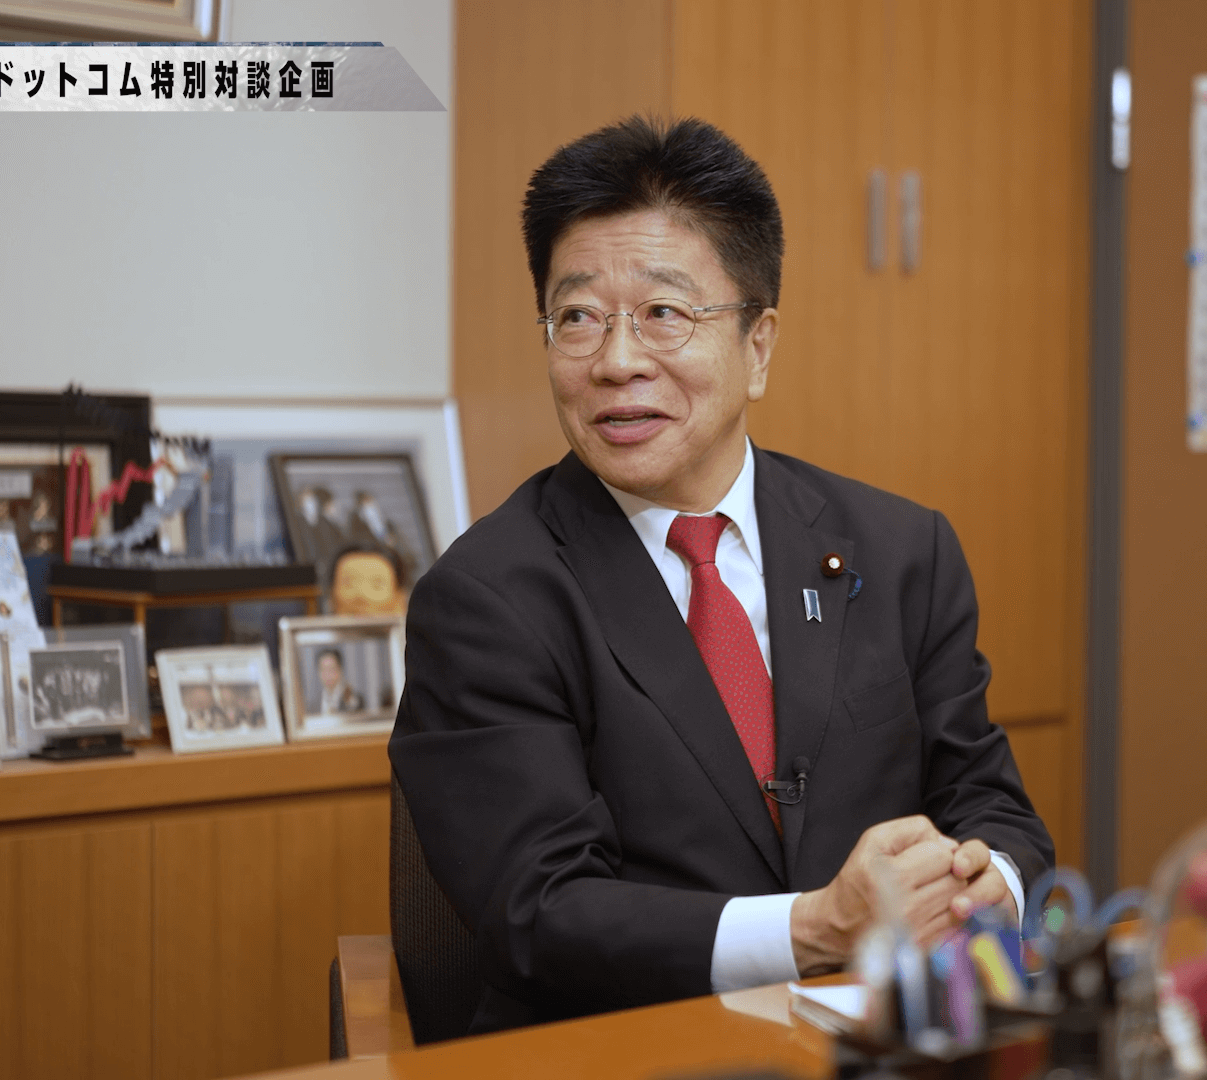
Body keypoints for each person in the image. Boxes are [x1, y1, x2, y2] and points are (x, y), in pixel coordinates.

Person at [389, 117, 1052, 1033]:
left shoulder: (902, 550)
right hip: (624, 1048)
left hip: (883, 1039)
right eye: (577, 318)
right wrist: (816, 928)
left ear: (758, 345)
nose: (617, 362)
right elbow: (540, 913)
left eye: (664, 313)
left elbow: (990, 805)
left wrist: (985, 886)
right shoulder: (487, 600)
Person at [312, 648, 365, 715]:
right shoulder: (313, 706)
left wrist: (348, 699)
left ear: (340, 670)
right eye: (323, 669)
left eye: (332, 669)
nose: (328, 674)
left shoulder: (354, 699)